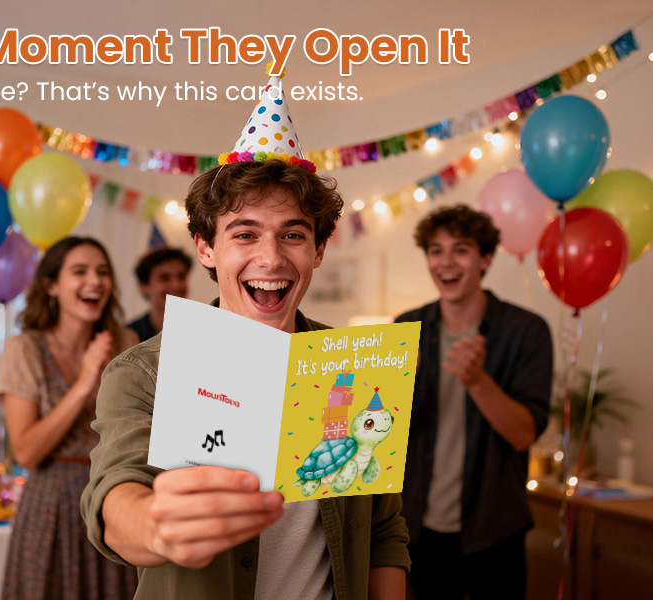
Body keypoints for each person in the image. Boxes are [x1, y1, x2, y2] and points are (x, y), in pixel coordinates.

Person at [80, 69, 410, 600]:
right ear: (206, 249)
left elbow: (382, 531)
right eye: (245, 234)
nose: (271, 258)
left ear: (319, 250)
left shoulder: (353, 367)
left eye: (294, 235)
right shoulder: (145, 372)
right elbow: (115, 498)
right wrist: (156, 524)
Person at [394, 205, 553, 600]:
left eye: (460, 249)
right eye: (435, 250)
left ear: (485, 258)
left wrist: (478, 381)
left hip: (493, 530)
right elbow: (386, 431)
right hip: (416, 529)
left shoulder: (526, 331)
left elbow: (523, 434)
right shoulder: (406, 327)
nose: (445, 262)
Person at [0, 236, 140, 600]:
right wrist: (85, 382)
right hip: (51, 506)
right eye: (80, 271)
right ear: (51, 285)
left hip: (116, 495)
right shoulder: (24, 349)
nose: (95, 281)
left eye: (103, 272)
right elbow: (26, 452)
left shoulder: (127, 342)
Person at [127, 247, 193, 342]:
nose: (176, 286)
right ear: (144, 286)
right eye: (164, 278)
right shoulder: (129, 335)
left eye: (181, 276)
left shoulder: (204, 328)